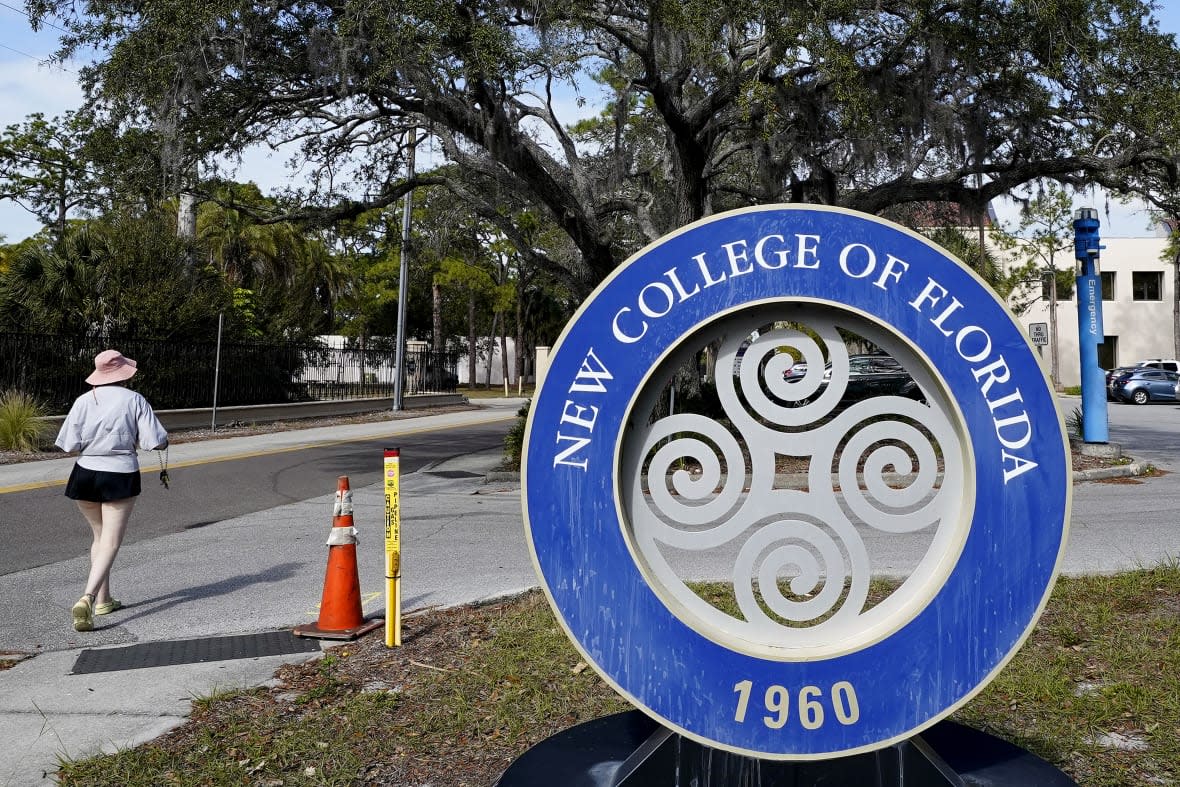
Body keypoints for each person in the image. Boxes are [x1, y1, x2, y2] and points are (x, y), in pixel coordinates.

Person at [55, 349, 169, 632]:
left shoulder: (83, 400)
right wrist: (164, 444)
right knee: (111, 541)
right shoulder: (134, 400)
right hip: (119, 472)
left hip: (84, 473)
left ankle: (104, 599)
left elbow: (68, 443)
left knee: (99, 537)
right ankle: (88, 598)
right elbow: (154, 441)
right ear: (123, 374)